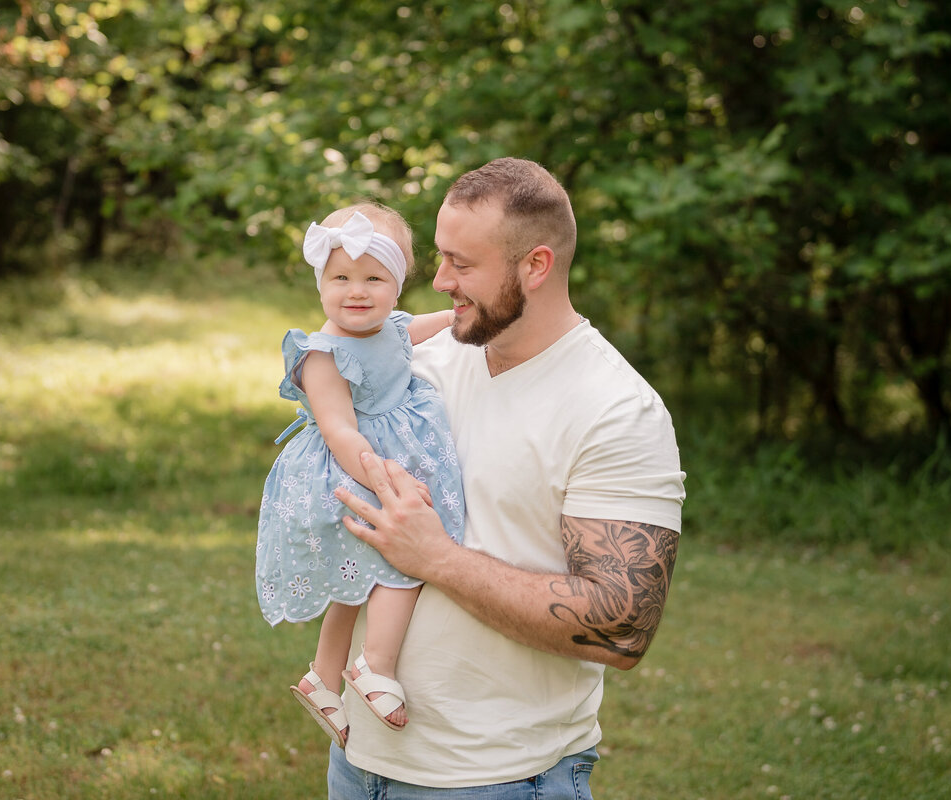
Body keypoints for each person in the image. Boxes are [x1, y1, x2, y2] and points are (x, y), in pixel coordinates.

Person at [327, 158, 686, 798]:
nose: (439, 281)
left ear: (536, 266)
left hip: (495, 780)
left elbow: (623, 626)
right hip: (359, 761)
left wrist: (436, 557)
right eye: (439, 258)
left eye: (462, 265)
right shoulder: (421, 364)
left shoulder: (615, 410)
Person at [255, 202, 466, 749]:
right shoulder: (321, 354)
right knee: (403, 562)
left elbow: (412, 331)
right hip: (351, 467)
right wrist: (387, 476)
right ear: (320, 281)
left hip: (380, 460)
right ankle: (375, 665)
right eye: (340, 277)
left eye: (374, 278)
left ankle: (323, 676)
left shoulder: (389, 326)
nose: (357, 291)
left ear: (397, 286)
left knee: (356, 576)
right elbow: (341, 434)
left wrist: (453, 317)